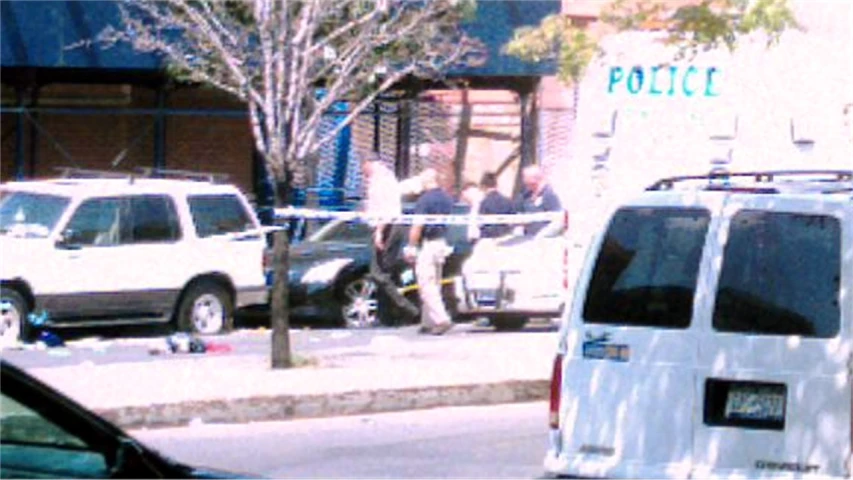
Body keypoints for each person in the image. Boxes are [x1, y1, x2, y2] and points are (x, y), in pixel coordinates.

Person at [362, 157, 419, 325]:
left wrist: (379, 231)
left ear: (370, 164)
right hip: (389, 226)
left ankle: (408, 308)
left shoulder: (381, 181)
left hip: (388, 227)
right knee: (385, 274)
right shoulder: (385, 179)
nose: (363, 173)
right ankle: (385, 316)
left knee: (377, 273)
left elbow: (387, 210)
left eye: (364, 168)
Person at [404, 168, 455, 335]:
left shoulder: (424, 200)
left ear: (425, 182)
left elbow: (417, 225)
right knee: (435, 283)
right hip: (442, 242)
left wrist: (411, 246)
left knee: (426, 284)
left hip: (428, 244)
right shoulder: (447, 198)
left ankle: (441, 319)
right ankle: (428, 321)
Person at [517, 165, 562, 237]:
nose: (527, 186)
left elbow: (558, 221)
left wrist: (541, 236)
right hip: (528, 239)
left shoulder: (549, 194)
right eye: (526, 183)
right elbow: (521, 214)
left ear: (537, 179)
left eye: (530, 184)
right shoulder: (526, 195)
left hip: (546, 241)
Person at [478, 172, 515, 239]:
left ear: (483, 186)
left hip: (489, 237)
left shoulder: (484, 203)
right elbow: (513, 220)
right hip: (505, 237)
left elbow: (481, 222)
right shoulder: (507, 201)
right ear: (496, 185)